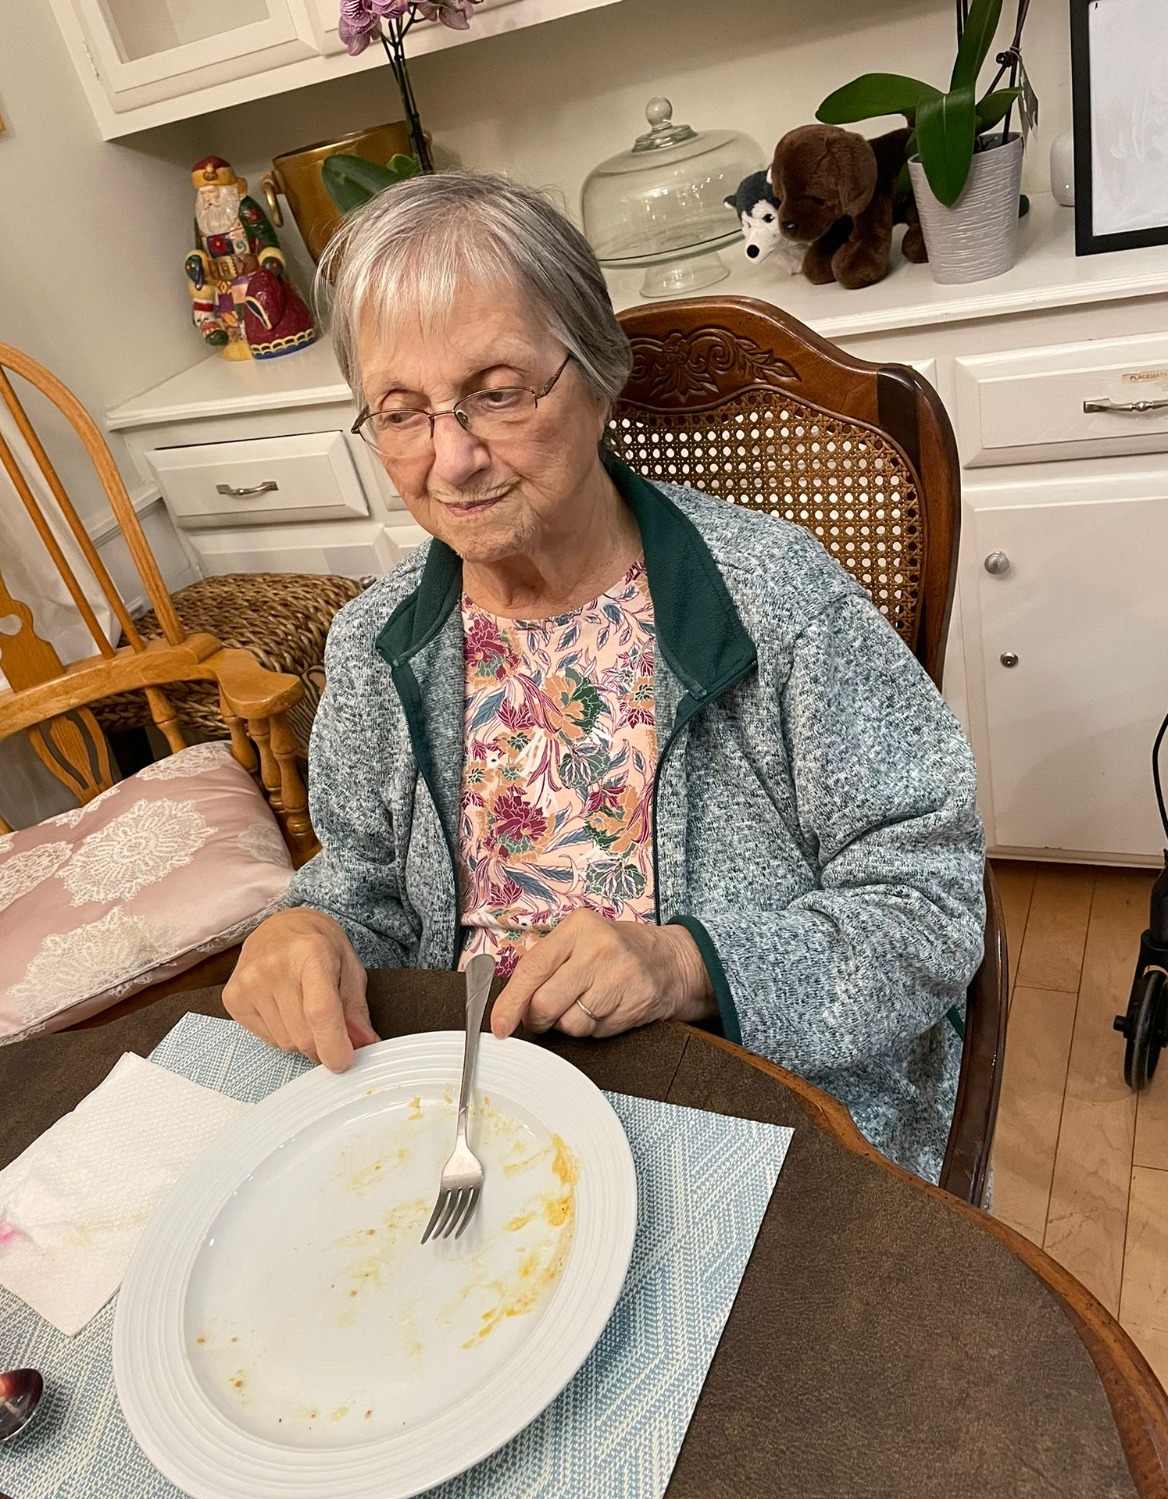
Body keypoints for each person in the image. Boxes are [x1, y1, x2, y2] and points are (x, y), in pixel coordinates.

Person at [223, 171, 985, 1182]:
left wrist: (689, 964)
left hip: (749, 1110)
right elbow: (365, 881)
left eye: (497, 393)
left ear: (598, 372)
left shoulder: (777, 599)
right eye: (401, 413)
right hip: (473, 1120)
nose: (451, 460)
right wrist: (308, 927)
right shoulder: (377, 643)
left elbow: (930, 906)